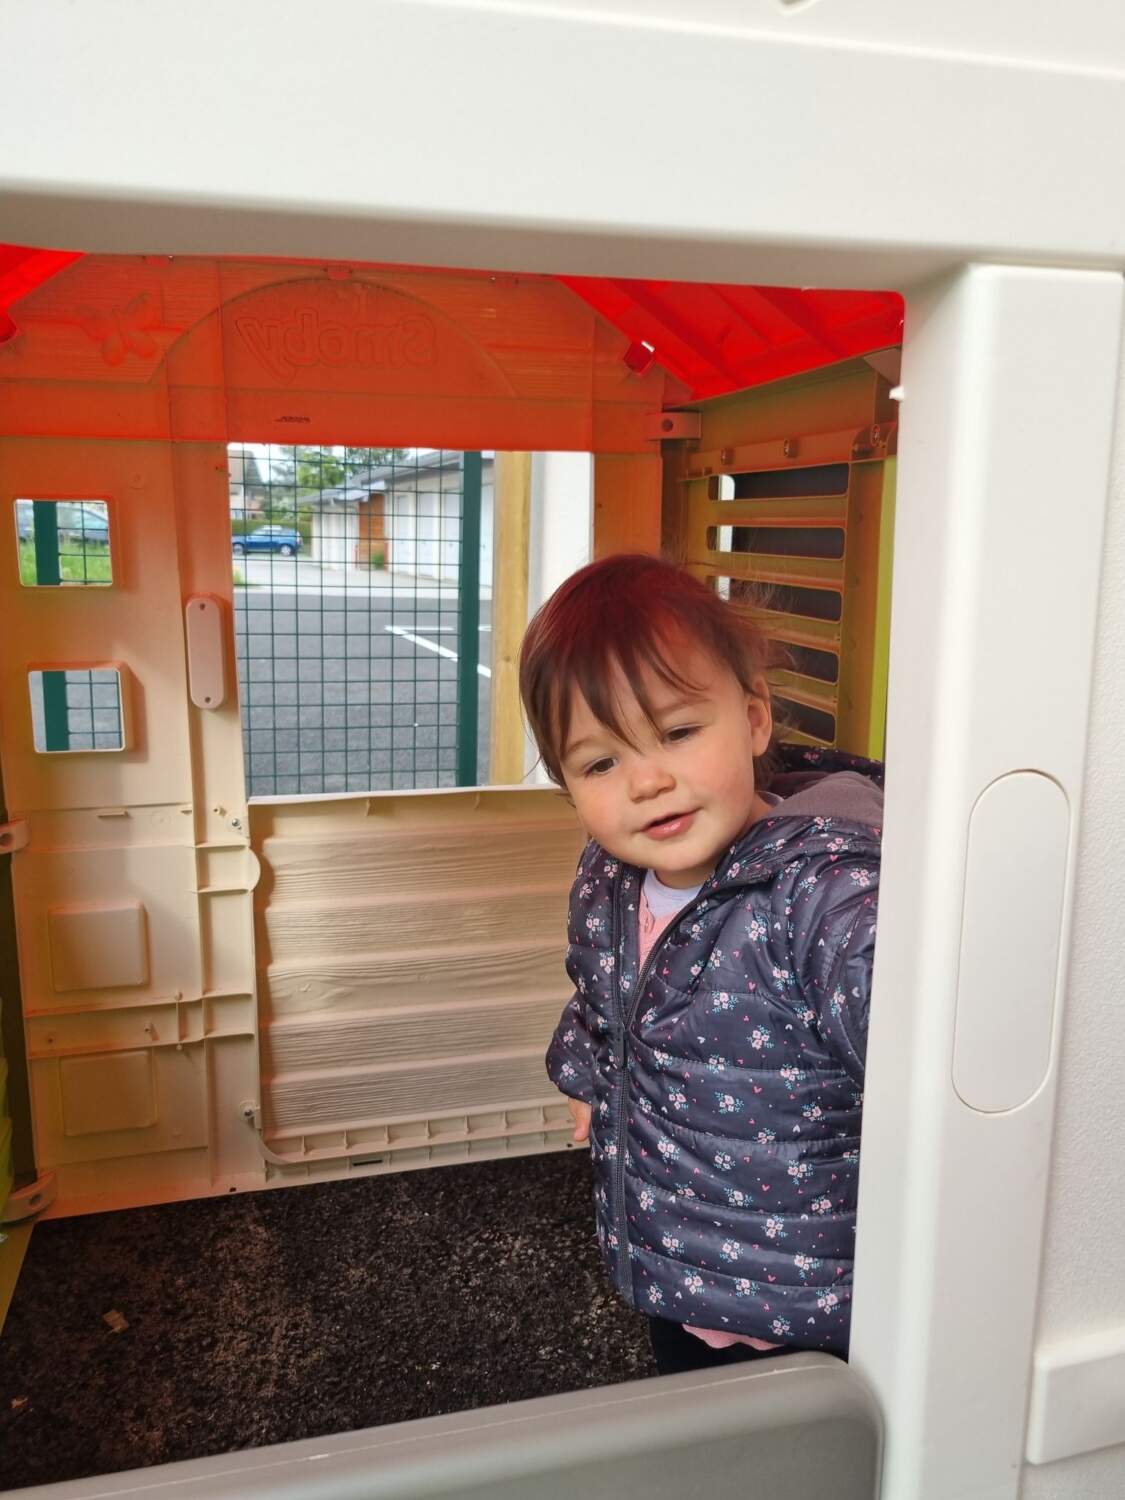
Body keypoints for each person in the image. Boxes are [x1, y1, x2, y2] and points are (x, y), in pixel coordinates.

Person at [519, 553, 881, 1375]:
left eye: (678, 733)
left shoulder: (822, 888)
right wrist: (587, 1074)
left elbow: (899, 1012)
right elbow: (604, 992)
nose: (647, 781)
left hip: (813, 1294)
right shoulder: (611, 875)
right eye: (600, 763)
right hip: (680, 1253)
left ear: (753, 722)